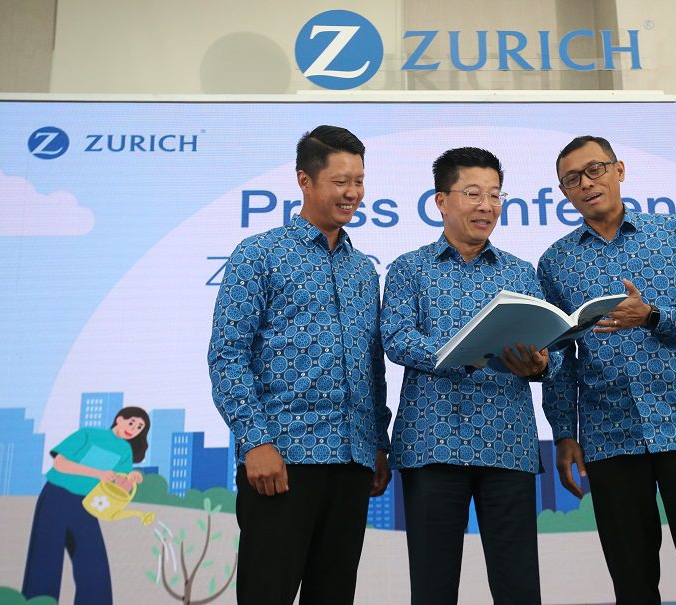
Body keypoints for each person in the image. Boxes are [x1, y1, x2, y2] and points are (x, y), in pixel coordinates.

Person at [538, 135, 676, 604]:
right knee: (632, 581)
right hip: (608, 434)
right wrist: (564, 433)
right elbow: (561, 356)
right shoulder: (555, 262)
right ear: (564, 192)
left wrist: (653, 315)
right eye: (572, 179)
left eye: (595, 169)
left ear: (619, 170)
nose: (586, 183)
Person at [207, 125, 391, 604]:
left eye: (359, 181)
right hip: (283, 457)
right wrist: (256, 440)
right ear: (304, 180)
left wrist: (378, 443)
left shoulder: (362, 269)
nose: (353, 193)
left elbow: (372, 365)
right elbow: (227, 355)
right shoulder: (258, 254)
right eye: (340, 181)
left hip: (352, 461)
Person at [381, 147, 559, 605]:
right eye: (474, 194)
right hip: (432, 444)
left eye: (495, 195)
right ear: (441, 201)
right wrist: (463, 354)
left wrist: (541, 364)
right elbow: (397, 338)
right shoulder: (409, 268)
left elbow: (554, 352)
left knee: (519, 588)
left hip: (508, 445)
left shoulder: (521, 273)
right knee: (433, 587)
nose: (487, 206)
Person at [22, 406, 150, 604]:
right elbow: (60, 464)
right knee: (46, 557)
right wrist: (98, 474)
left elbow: (118, 485)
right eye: (131, 422)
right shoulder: (89, 434)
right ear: (119, 419)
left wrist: (132, 478)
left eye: (139, 427)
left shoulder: (125, 450)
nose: (133, 429)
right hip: (56, 496)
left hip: (85, 504)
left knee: (94, 563)